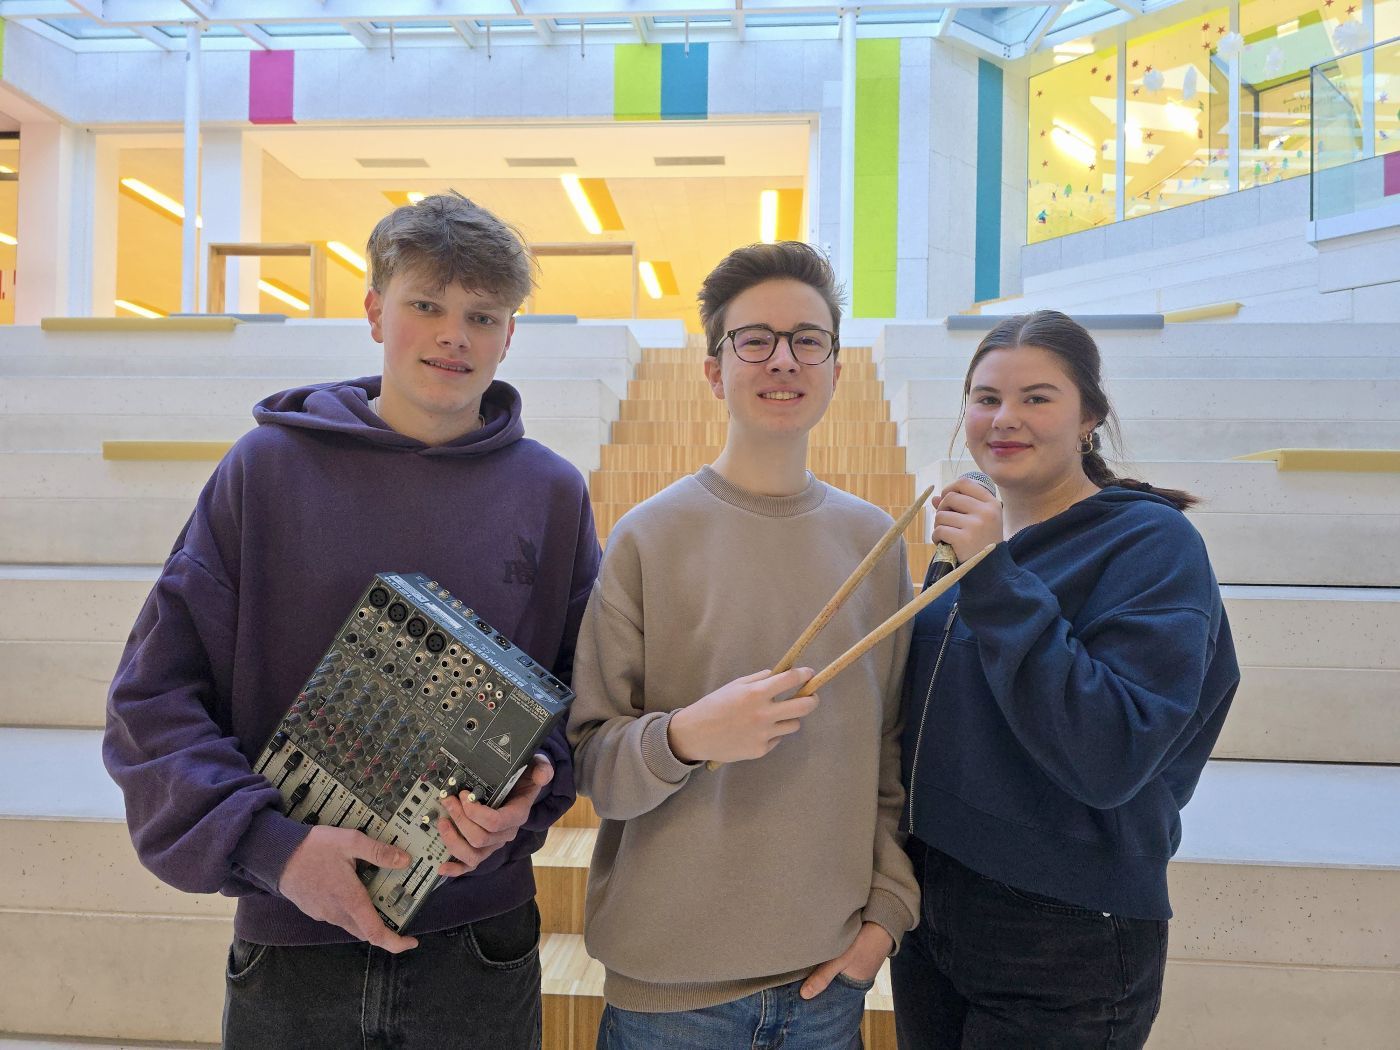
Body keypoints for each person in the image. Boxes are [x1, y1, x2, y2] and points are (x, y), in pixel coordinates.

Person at [103, 192, 600, 1050]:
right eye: (426, 305)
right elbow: (152, 699)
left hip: (479, 943)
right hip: (292, 941)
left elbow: (578, 696)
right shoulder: (266, 469)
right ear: (374, 311)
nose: (454, 335)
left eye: (482, 316)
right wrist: (275, 849)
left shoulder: (551, 493)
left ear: (509, 335)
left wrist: (529, 790)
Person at [567, 241, 920, 1050]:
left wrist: (886, 917)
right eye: (754, 340)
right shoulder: (647, 536)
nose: (783, 360)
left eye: (807, 340)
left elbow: (893, 754)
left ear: (836, 367)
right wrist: (687, 737)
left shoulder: (874, 543)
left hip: (828, 983)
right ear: (713, 369)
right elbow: (593, 763)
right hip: (667, 997)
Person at [890, 310, 1240, 1049]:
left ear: (1090, 419)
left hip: (1066, 929)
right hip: (933, 906)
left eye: (1037, 398)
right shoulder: (972, 545)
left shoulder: (1151, 543)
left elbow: (1112, 751)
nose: (1004, 419)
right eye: (986, 398)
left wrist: (993, 577)